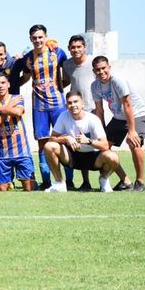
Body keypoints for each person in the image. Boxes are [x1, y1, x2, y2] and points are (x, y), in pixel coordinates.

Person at [21, 24, 71, 189]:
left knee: (63, 140)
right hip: (39, 106)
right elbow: (26, 77)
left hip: (58, 104)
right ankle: (47, 181)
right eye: (34, 38)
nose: (38, 40)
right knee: (42, 143)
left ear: (46, 37)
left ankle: (68, 180)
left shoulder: (57, 52)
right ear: (30, 39)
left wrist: (60, 86)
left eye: (40, 37)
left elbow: (68, 74)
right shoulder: (28, 58)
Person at [44, 91, 119, 193]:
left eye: (76, 102)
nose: (73, 105)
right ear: (66, 105)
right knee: (49, 146)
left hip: (94, 157)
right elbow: (52, 138)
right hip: (72, 156)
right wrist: (66, 138)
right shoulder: (63, 116)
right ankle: (59, 183)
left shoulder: (93, 119)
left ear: (82, 103)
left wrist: (88, 141)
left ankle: (104, 180)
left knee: (113, 157)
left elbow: (105, 145)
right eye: (70, 103)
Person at [92, 56, 145, 192]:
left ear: (109, 67)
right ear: (94, 71)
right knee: (103, 146)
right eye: (98, 70)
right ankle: (126, 182)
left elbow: (128, 105)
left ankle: (140, 182)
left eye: (104, 68)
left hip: (136, 114)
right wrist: (101, 131)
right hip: (118, 117)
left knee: (134, 143)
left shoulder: (117, 81)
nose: (101, 72)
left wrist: (132, 130)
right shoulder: (95, 86)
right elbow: (99, 109)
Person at [0, 73, 36, 191]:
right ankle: (8, 183)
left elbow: (18, 112)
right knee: (1, 189)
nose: (0, 86)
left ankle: (24, 181)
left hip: (22, 151)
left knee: (30, 188)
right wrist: (8, 107)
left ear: (8, 84)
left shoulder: (17, 98)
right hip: (3, 154)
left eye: (3, 83)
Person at [61, 35, 95, 191]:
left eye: (79, 47)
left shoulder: (93, 63)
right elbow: (67, 81)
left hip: (94, 110)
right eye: (73, 47)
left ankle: (105, 180)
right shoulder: (67, 64)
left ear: (85, 47)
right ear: (69, 49)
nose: (76, 50)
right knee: (80, 146)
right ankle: (85, 181)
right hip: (76, 111)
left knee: (101, 145)